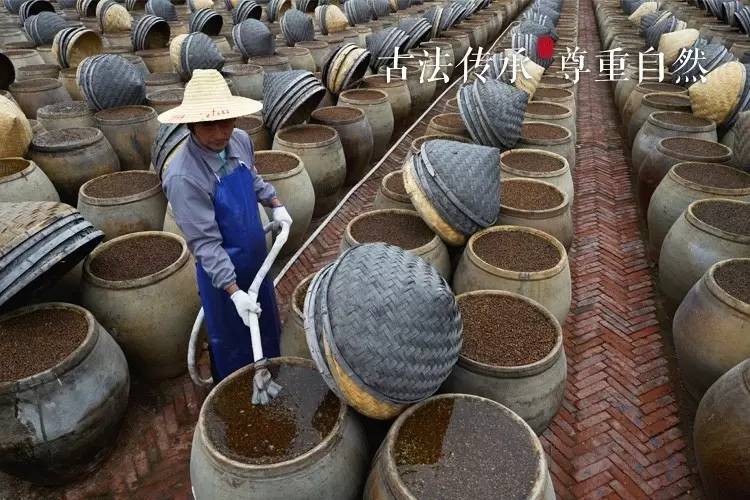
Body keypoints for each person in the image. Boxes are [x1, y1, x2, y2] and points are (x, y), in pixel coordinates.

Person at [157, 69, 293, 383]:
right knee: (232, 342)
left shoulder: (241, 141)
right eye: (209, 124)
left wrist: (276, 204)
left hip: (256, 263)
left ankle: (270, 371)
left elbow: (254, 180)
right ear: (190, 124)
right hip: (222, 277)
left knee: (266, 326)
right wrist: (234, 293)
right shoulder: (183, 176)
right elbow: (205, 245)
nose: (220, 133)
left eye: (226, 121)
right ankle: (231, 389)